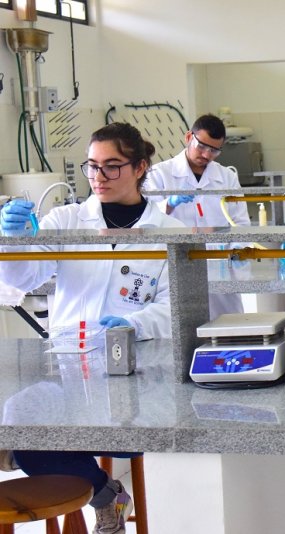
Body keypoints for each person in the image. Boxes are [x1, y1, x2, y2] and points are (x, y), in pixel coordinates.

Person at [0, 122, 184, 534]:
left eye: (111, 166)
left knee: (39, 446)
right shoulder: (66, 220)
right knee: (25, 431)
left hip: (135, 380)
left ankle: (30, 459)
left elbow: (175, 307)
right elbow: (20, 280)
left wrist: (132, 323)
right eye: (92, 166)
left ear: (139, 167)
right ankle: (106, 495)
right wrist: (12, 241)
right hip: (68, 371)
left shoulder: (167, 233)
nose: (98, 176)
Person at [145, 113, 250, 319]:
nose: (206, 154)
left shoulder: (226, 177)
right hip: (177, 265)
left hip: (221, 267)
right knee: (183, 325)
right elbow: (147, 221)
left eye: (214, 150)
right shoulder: (160, 174)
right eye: (201, 146)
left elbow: (240, 222)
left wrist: (238, 251)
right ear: (188, 137)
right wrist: (168, 204)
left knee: (228, 326)